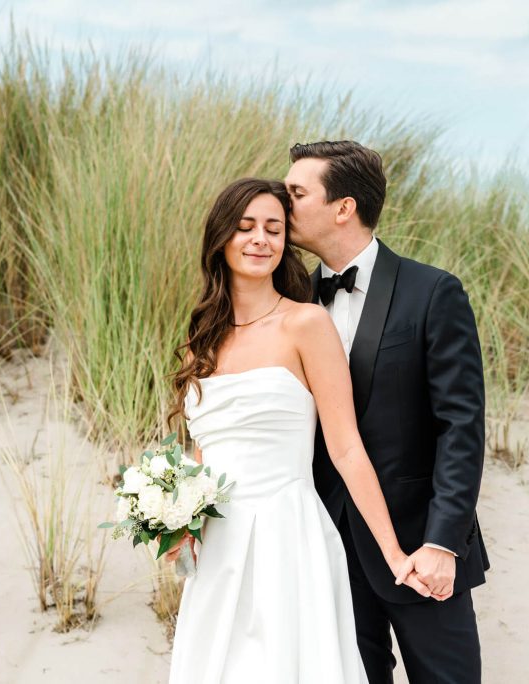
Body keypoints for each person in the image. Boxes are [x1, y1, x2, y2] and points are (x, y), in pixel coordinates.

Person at [164, 177, 430, 683]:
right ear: (221, 239)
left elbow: (347, 447)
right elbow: (202, 454)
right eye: (244, 228)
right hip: (219, 547)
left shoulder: (306, 324)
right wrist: (179, 525)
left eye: (273, 228)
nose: (259, 239)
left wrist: (394, 552)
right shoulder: (202, 338)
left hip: (289, 535)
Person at [284, 140, 490, 684]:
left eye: (297, 192)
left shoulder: (433, 292)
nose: (283, 204)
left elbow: (461, 428)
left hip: (420, 550)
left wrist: (444, 542)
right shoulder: (293, 303)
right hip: (326, 545)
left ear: (343, 207)